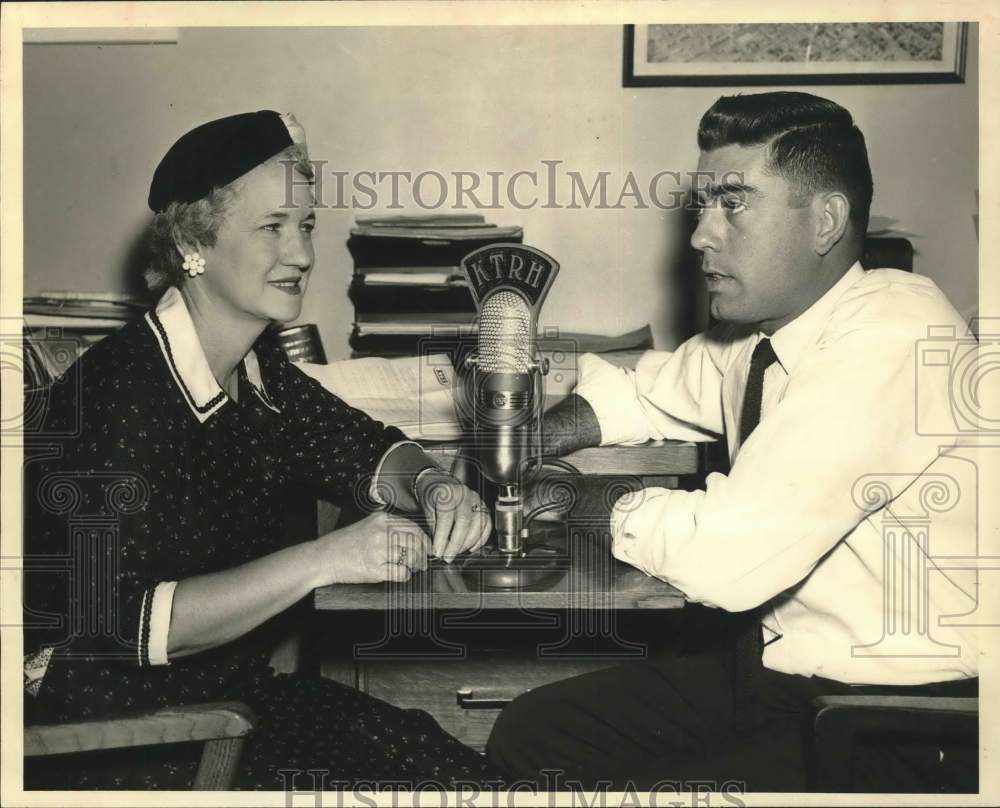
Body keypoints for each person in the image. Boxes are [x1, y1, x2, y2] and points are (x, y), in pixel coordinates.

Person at [486, 92, 979, 792]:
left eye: (734, 203)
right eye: (702, 206)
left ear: (826, 220)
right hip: (784, 674)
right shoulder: (763, 331)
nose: (699, 236)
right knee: (533, 737)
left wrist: (571, 497)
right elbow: (648, 389)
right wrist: (529, 438)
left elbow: (726, 558)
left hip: (899, 716)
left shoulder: (894, 333)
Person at [23, 110, 499, 790]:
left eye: (305, 226)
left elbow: (364, 447)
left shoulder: (256, 366)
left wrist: (433, 486)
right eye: (272, 227)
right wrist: (324, 559)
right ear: (195, 245)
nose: (302, 254)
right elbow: (131, 626)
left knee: (450, 767)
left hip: (229, 705)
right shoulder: (119, 396)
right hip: (131, 740)